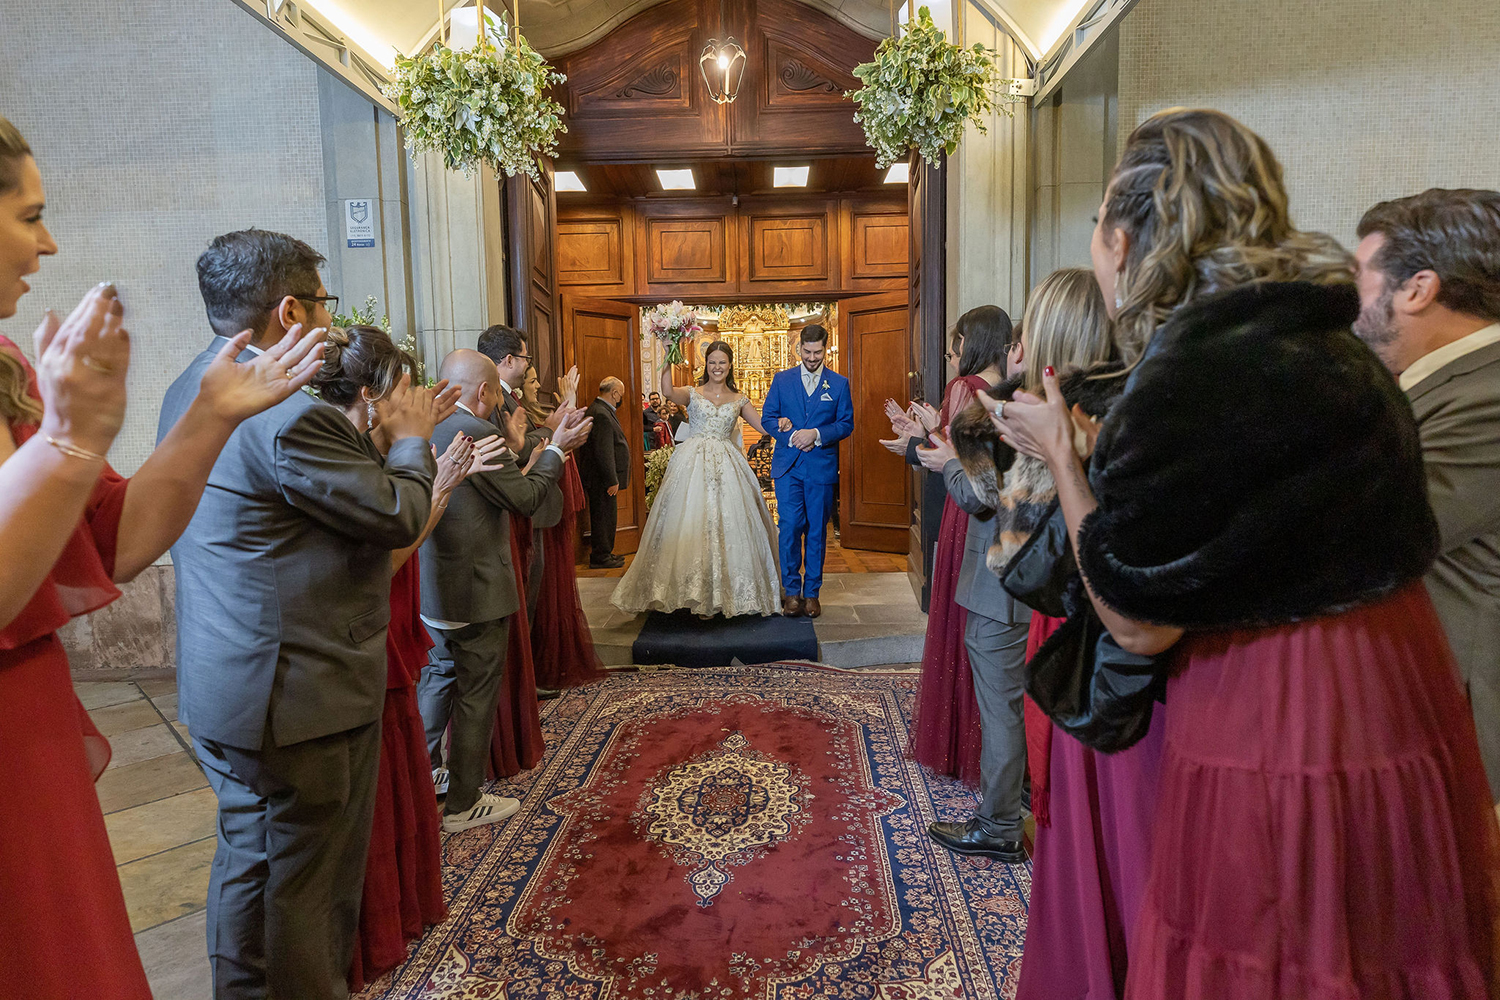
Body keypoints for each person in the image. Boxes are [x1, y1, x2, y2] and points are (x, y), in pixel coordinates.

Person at [994, 108, 1500, 999]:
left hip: (1278, 699)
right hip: (1399, 681)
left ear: (1124, 239)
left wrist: (1066, 463)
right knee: (1385, 945)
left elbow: (1138, 622)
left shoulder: (1189, 375)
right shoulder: (1341, 352)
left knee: (1269, 946)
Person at [0, 119, 327, 996]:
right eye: (29, 215)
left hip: (26, 711)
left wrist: (213, 415)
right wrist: (69, 440)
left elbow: (123, 538)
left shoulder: (6, 367)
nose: (50, 241)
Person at [160, 229, 446, 1000]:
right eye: (326, 306)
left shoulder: (191, 382)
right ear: (290, 312)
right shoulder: (290, 414)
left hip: (229, 681)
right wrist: (414, 442)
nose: (335, 324)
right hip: (298, 694)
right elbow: (394, 513)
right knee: (308, 894)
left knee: (251, 867)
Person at [308, 326, 503, 989]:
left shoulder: (375, 446)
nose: (415, 398)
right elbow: (387, 548)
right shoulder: (347, 454)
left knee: (397, 773)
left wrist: (438, 474)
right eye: (404, 386)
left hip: (393, 612)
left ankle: (400, 903)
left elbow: (403, 527)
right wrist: (436, 472)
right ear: (370, 395)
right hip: (368, 627)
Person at [921, 272, 1114, 866]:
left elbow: (983, 496)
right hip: (1082, 586)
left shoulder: (1006, 408)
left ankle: (1000, 822)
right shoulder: (1113, 402)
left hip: (1005, 581)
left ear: (1031, 342)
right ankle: (1044, 807)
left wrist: (947, 462)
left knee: (1001, 703)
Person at [1352, 188, 1500, 808]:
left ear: (1417, 289)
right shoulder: (1436, 386)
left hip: (1458, 730)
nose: (1349, 303)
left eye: (1359, 278)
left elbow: (1375, 532)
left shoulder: (1486, 397)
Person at [417, 349, 590, 833]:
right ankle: (464, 802)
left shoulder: (426, 425)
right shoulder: (477, 431)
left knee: (437, 678)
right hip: (475, 590)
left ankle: (427, 772)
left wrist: (522, 452)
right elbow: (525, 498)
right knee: (475, 695)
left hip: (433, 586)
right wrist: (555, 449)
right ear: (484, 392)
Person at [884, 306, 1011, 785]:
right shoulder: (1005, 392)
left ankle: (960, 744)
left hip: (966, 514)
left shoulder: (964, 387)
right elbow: (966, 446)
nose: (949, 352)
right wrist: (926, 429)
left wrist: (919, 443)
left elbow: (955, 460)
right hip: (1001, 518)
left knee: (962, 622)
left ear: (972, 344)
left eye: (955, 344)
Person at [611, 340, 781, 617]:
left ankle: (728, 592)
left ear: (729, 366)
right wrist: (668, 355)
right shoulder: (693, 392)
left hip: (728, 463)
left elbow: (762, 425)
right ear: (707, 364)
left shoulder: (739, 399)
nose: (717, 367)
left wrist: (784, 423)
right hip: (692, 464)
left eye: (722, 362)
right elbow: (667, 390)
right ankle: (692, 591)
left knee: (729, 523)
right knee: (692, 521)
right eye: (712, 362)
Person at [759, 324, 854, 618]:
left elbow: (845, 424)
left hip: (820, 468)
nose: (812, 358)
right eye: (807, 351)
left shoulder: (838, 384)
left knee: (816, 530)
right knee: (789, 527)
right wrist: (788, 434)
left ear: (826, 349)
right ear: (798, 348)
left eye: (818, 352)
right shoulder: (782, 380)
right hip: (788, 467)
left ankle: (812, 593)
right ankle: (791, 592)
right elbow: (767, 417)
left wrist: (815, 433)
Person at [580, 375, 630, 568]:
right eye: (621, 395)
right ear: (615, 393)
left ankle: (606, 552)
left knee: (608, 515)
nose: (621, 398)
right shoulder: (600, 413)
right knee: (603, 516)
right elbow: (603, 450)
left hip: (603, 478)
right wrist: (612, 479)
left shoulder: (602, 410)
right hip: (602, 479)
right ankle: (601, 556)